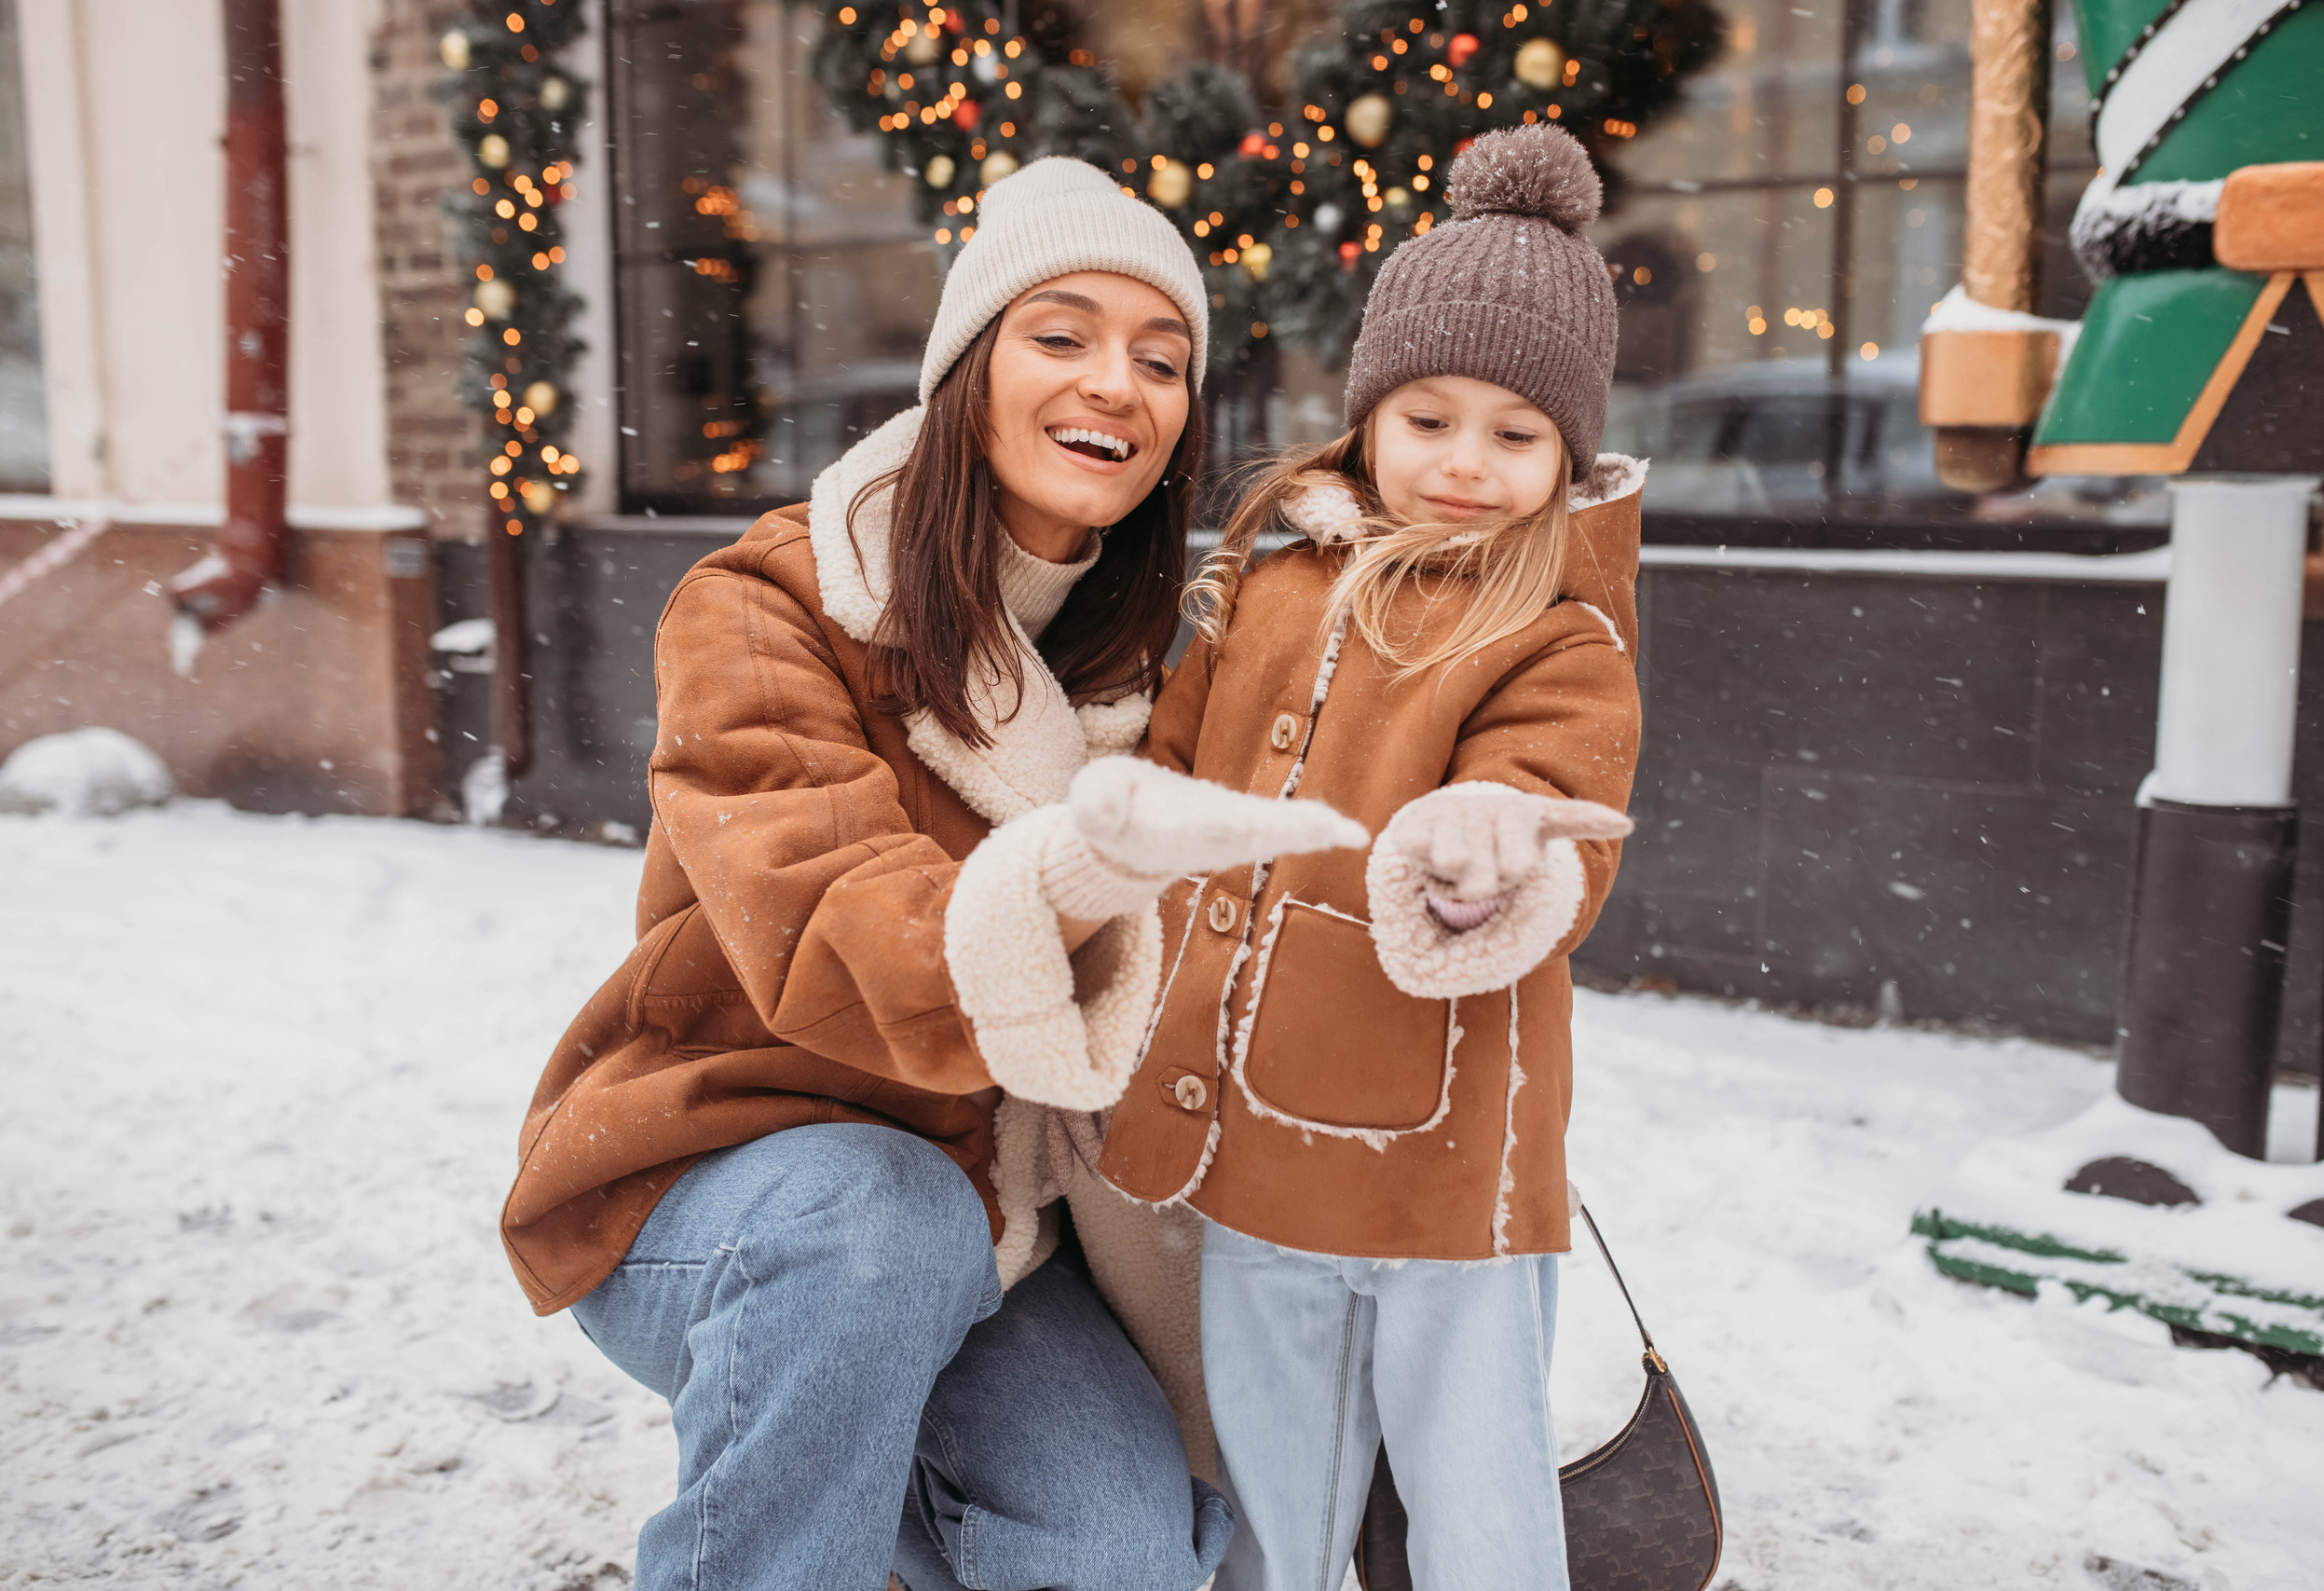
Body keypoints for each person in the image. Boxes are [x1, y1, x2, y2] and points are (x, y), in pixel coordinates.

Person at [497, 157, 1363, 1591]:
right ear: (970, 368)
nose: (1117, 386)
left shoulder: (1155, 670)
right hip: (712, 1185)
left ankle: (877, 1476)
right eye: (1062, 335)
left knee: (1114, 1552)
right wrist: (1067, 885)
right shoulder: (774, 606)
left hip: (1002, 1228)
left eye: (1162, 362)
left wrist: (1387, 589)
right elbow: (827, 915)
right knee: (873, 1221)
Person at [1095, 124, 1646, 1591]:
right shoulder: (1267, 584)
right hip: (1262, 1140)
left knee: (1473, 1505)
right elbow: (1172, 769)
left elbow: (1548, 807)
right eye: (1431, 419)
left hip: (1453, 1162)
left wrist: (1486, 854)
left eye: (1516, 435)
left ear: (1567, 450)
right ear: (1369, 415)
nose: (1466, 464)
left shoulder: (1560, 637)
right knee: (1277, 1481)